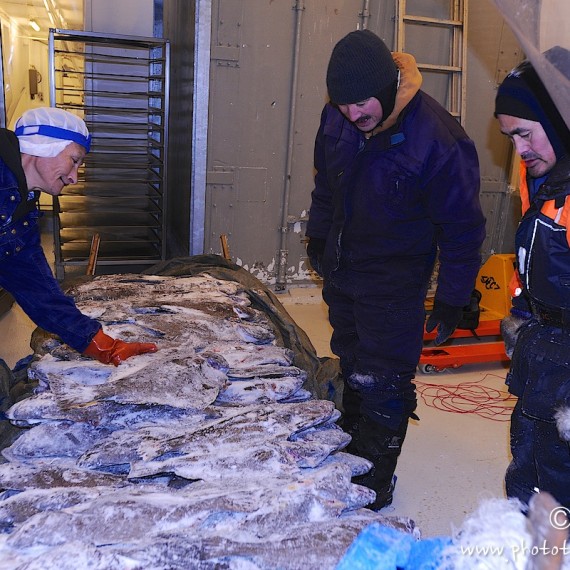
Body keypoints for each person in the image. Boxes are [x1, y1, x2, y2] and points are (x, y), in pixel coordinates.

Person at [305, 29, 486, 509]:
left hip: (394, 281)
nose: (352, 115)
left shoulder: (440, 140)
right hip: (344, 268)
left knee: (384, 377)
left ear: (386, 87)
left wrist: (452, 297)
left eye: (361, 103)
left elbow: (463, 230)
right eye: (342, 105)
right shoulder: (338, 117)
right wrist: (318, 236)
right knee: (351, 355)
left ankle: (374, 481)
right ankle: (352, 439)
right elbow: (326, 184)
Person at [0, 107, 157, 367]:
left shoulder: (21, 213)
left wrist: (106, 347)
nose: (74, 178)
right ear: (44, 144)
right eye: (74, 160)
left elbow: (39, 292)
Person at [495, 48, 570, 510]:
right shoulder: (544, 182)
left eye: (524, 133)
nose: (519, 150)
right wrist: (522, 315)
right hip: (543, 354)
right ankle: (533, 549)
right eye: (509, 137)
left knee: (558, 481)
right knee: (529, 464)